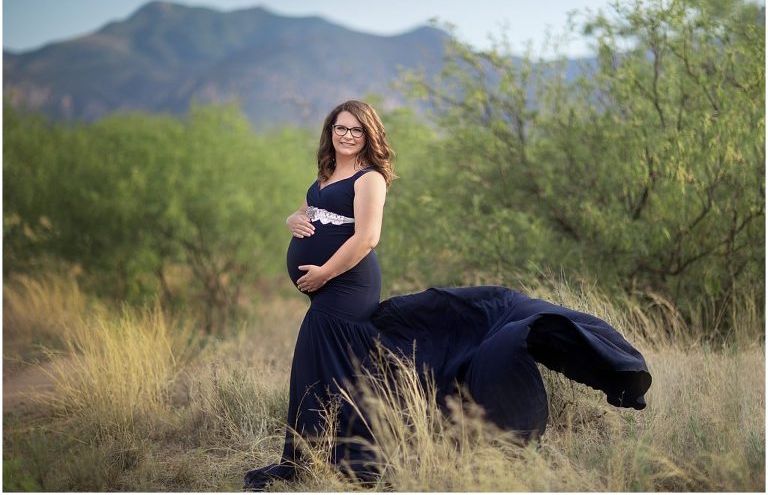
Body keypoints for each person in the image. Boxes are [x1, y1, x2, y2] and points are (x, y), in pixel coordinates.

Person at [243, 100, 652, 491]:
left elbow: (368, 237)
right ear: (330, 131)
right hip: (324, 287)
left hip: (347, 284)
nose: (347, 135)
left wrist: (324, 273)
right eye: (340, 128)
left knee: (327, 352)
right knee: (327, 362)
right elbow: (305, 210)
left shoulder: (369, 178)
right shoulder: (326, 173)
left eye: (356, 129)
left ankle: (348, 454)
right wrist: (293, 218)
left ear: (369, 136)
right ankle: (316, 453)